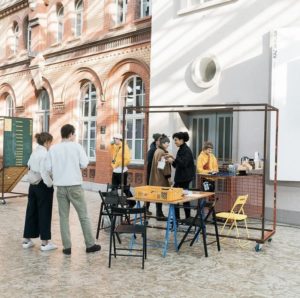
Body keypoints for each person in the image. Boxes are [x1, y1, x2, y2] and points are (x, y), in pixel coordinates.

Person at [45, 124, 100, 255]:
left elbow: (48, 168)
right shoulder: (77, 147)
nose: (74, 136)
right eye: (74, 134)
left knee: (63, 217)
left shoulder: (53, 149)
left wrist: (58, 172)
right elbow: (84, 163)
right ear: (70, 134)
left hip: (60, 188)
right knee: (83, 216)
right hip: (75, 186)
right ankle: (90, 244)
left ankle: (67, 247)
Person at [22, 132, 57, 251]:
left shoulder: (35, 151)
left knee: (31, 211)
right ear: (47, 142)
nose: (50, 145)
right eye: (50, 142)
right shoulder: (45, 154)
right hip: (42, 186)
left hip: (32, 185)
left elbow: (28, 165)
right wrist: (50, 184)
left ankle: (27, 240)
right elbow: (44, 172)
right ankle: (45, 243)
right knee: (44, 212)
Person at [167, 132, 195, 221]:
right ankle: (180, 217)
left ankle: (184, 217)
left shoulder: (186, 150)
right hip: (181, 178)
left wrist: (173, 158)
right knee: (180, 198)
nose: (175, 142)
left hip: (184, 178)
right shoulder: (181, 149)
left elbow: (183, 163)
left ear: (181, 140)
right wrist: (172, 162)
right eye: (174, 140)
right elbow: (178, 165)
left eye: (176, 140)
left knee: (181, 198)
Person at [149, 134, 171, 221]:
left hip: (157, 176)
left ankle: (159, 213)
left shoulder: (158, 150)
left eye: (168, 143)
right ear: (162, 143)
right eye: (166, 143)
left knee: (159, 197)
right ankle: (159, 214)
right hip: (160, 177)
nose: (168, 144)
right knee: (160, 196)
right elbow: (162, 166)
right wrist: (168, 176)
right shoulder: (161, 152)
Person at [109, 133, 135, 207]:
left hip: (122, 171)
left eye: (115, 139)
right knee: (114, 188)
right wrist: (111, 144)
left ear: (119, 139)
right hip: (115, 170)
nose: (114, 140)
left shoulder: (125, 147)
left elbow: (127, 159)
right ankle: (113, 204)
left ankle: (132, 202)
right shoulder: (116, 146)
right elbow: (112, 151)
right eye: (113, 139)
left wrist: (118, 163)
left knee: (124, 189)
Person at [146, 133, 162, 215]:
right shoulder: (152, 150)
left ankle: (159, 211)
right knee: (150, 192)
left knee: (159, 192)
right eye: (160, 140)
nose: (161, 141)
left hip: (158, 175)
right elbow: (149, 164)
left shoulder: (159, 149)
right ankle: (146, 208)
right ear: (156, 141)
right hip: (151, 175)